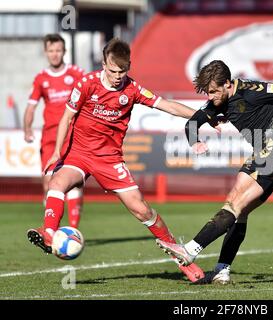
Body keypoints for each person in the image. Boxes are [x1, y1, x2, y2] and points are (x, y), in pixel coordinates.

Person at [26, 38, 205, 283]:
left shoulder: (132, 89)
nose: (117, 76)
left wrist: (204, 116)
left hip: (109, 160)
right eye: (112, 71)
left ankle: (182, 259)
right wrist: (58, 152)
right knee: (56, 183)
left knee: (142, 211)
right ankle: (48, 233)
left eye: (122, 71)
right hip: (79, 153)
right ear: (103, 64)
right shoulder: (86, 83)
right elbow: (67, 117)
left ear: (128, 66)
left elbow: (168, 106)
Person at [157, 60, 273, 284]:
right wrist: (195, 142)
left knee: (235, 204)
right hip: (261, 154)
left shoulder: (252, 91)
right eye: (208, 92)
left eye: (214, 91)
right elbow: (191, 124)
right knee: (238, 210)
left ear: (228, 84)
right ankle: (222, 271)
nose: (210, 97)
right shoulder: (217, 102)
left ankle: (190, 249)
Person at [23, 34, 85, 228]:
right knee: (49, 184)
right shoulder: (41, 79)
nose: (55, 54)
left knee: (72, 182)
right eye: (51, 50)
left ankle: (73, 230)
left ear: (64, 51)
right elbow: (31, 106)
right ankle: (51, 230)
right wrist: (27, 128)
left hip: (73, 136)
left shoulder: (76, 73)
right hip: (50, 138)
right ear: (46, 52)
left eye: (58, 50)